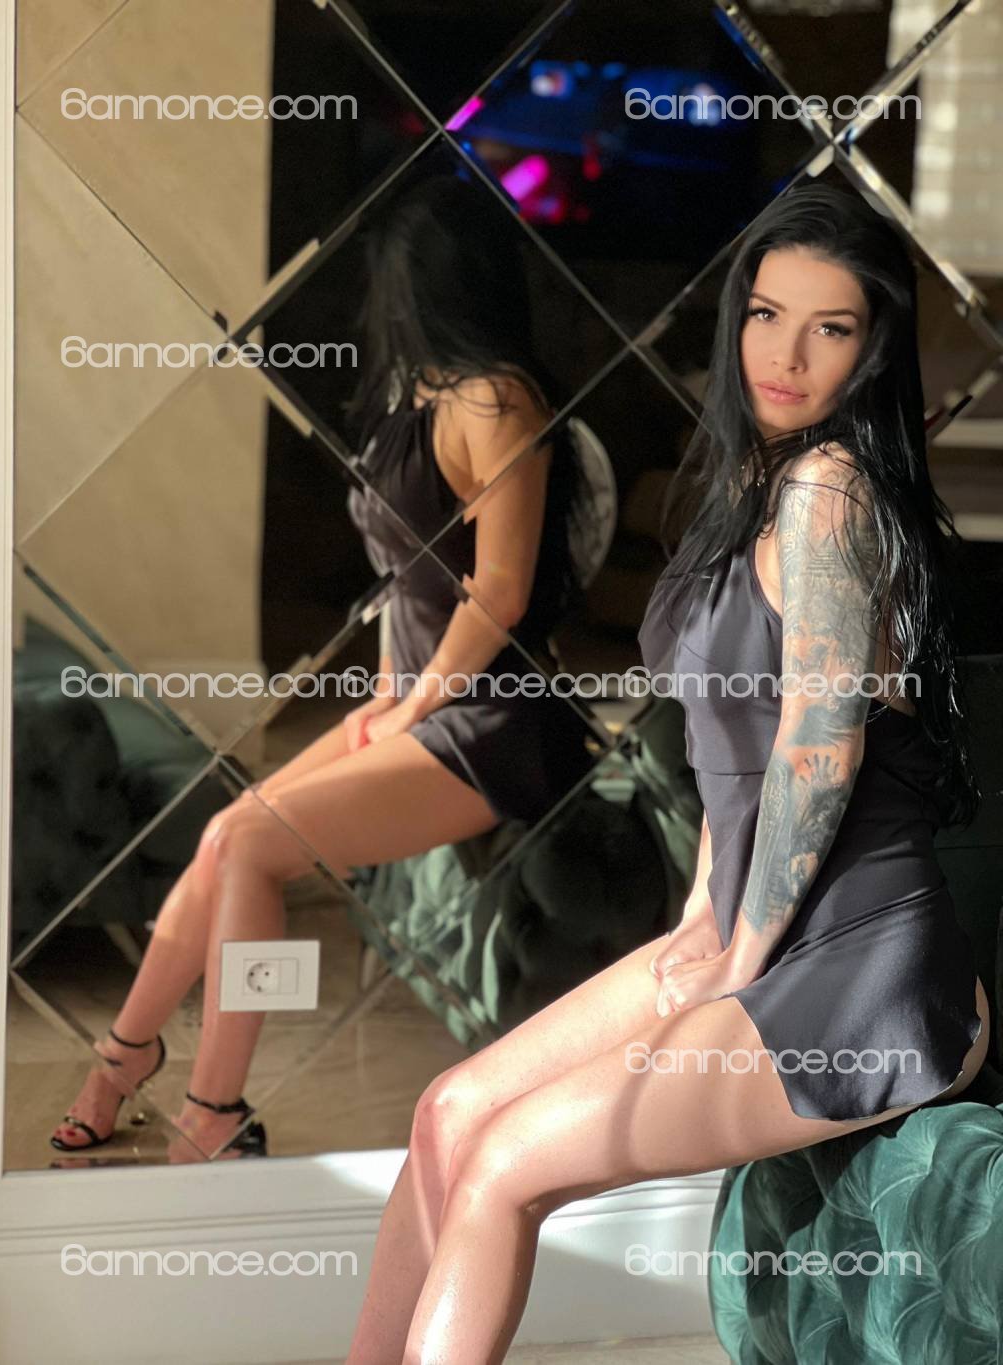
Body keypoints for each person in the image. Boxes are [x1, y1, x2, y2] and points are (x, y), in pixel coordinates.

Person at [343, 183, 991, 1364]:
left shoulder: (830, 491)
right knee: (447, 1116)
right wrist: (702, 915)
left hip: (859, 973)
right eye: (766, 315)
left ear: (871, 348)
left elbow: (817, 745)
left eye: (830, 328)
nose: (785, 355)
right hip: (754, 927)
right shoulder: (748, 486)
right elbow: (725, 744)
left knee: (500, 1168)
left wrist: (737, 959)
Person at [48, 172, 596, 1162]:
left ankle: (215, 1111)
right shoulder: (414, 393)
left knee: (254, 846)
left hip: (495, 725)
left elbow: (500, 593)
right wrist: (384, 697)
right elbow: (401, 577)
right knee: (225, 836)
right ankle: (125, 1058)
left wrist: (411, 707)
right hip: (421, 706)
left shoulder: (498, 401)